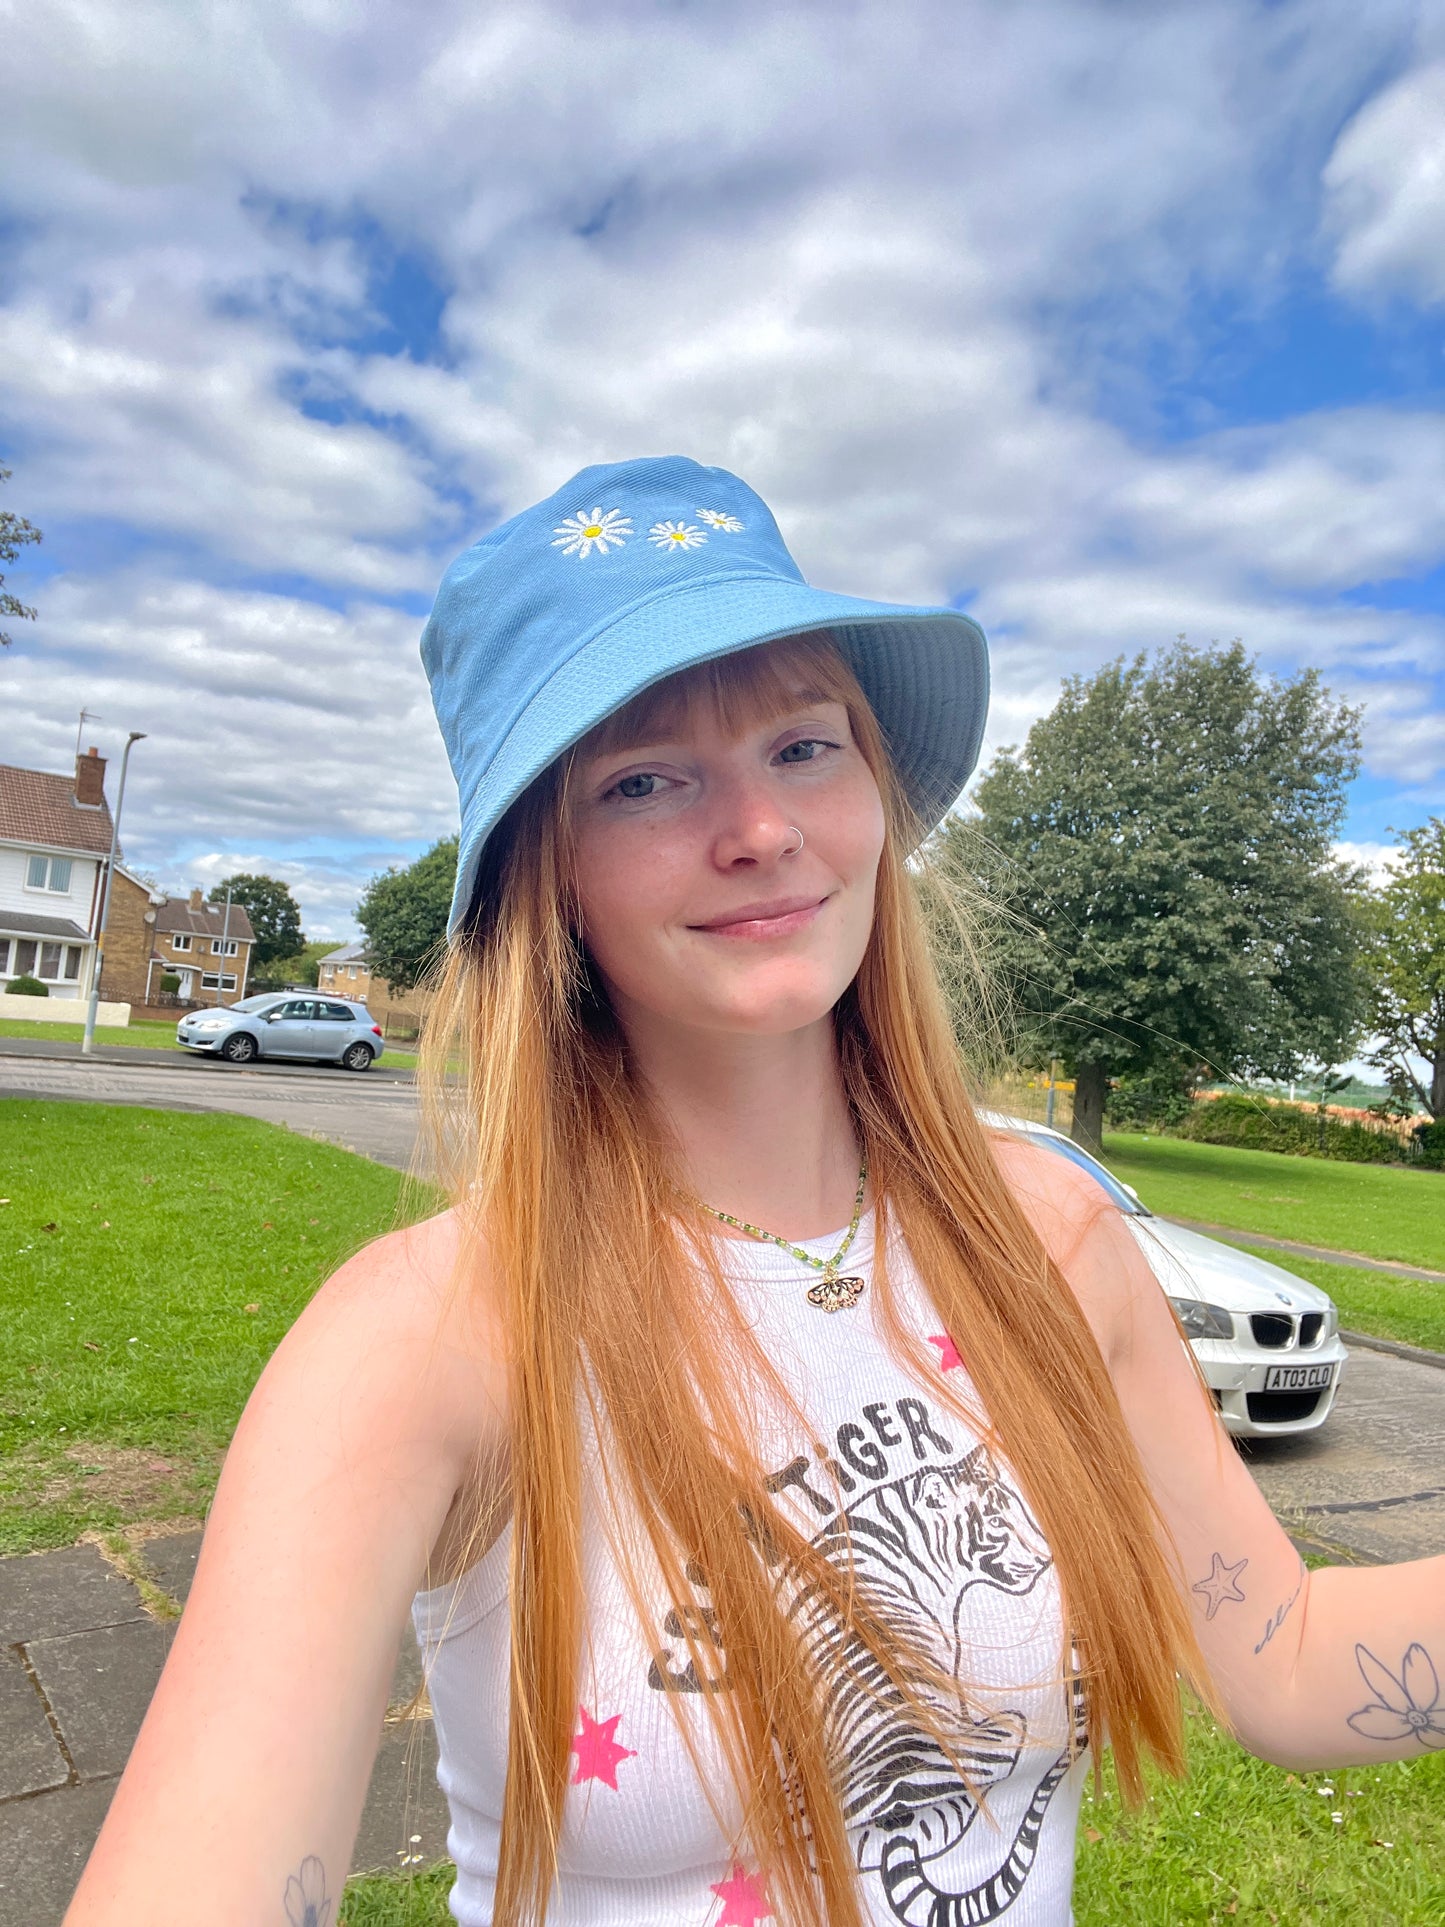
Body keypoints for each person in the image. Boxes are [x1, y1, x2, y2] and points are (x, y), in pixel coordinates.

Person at [67, 458, 1443, 1927]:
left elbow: (1285, 1658)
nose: (758, 828)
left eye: (802, 745)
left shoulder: (1050, 1234)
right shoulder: (425, 1338)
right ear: (550, 874)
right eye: (645, 779)